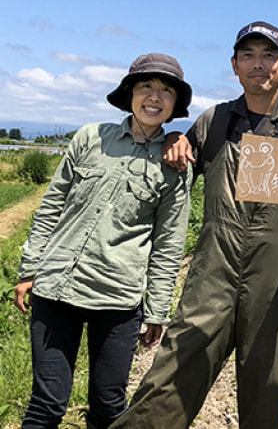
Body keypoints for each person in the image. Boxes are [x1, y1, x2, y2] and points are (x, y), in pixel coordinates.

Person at [110, 21, 278, 429]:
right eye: (248, 56)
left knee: (270, 380)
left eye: (269, 56)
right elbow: (176, 174)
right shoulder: (212, 122)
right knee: (177, 367)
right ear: (234, 66)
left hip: (277, 275)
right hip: (215, 267)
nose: (258, 64)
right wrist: (174, 138)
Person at [13, 53, 193, 429]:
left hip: (117, 299)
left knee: (108, 405)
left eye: (166, 91)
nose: (154, 97)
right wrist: (29, 270)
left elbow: (168, 244)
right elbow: (51, 207)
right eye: (146, 86)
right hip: (57, 288)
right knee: (46, 403)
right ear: (129, 93)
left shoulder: (174, 167)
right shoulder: (91, 137)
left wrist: (157, 309)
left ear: (175, 105)